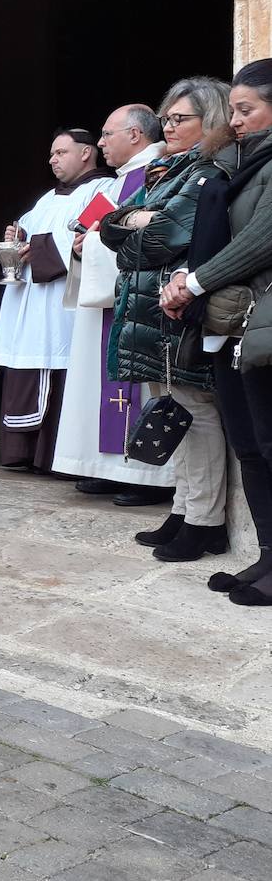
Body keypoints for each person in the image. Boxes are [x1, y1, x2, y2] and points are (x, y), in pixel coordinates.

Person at [101, 76, 233, 561]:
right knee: (172, 410)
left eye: (181, 119)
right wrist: (127, 225)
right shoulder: (173, 169)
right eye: (168, 118)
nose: (169, 126)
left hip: (177, 310)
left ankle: (205, 521)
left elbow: (158, 238)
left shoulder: (208, 171)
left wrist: (129, 227)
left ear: (211, 120)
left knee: (194, 411)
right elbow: (113, 226)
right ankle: (182, 508)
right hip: (148, 310)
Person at [160, 60, 272, 595]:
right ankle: (269, 557)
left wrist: (195, 280)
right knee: (249, 443)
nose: (236, 121)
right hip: (234, 321)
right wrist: (191, 276)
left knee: (270, 441)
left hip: (262, 319)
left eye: (246, 110)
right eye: (233, 111)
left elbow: (262, 240)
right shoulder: (241, 162)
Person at [55, 106, 175, 504]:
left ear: (136, 134)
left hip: (137, 299)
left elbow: (150, 236)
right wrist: (80, 247)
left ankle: (144, 475)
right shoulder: (117, 183)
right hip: (106, 298)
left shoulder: (158, 172)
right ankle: (109, 466)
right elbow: (91, 233)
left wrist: (89, 244)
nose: (100, 142)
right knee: (101, 385)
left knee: (139, 386)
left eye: (107, 134)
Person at [0, 128, 112, 471]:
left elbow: (85, 236)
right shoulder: (47, 197)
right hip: (31, 302)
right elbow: (30, 230)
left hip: (61, 301)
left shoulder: (104, 189)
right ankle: (21, 452)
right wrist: (17, 237)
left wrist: (37, 246)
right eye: (51, 154)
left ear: (86, 153)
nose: (52, 160)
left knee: (57, 364)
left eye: (60, 152)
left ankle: (51, 455)